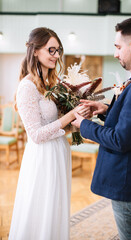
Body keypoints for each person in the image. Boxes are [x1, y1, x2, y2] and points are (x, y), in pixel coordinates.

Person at [72, 17, 131, 240]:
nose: (115, 53)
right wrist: (103, 109)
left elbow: (121, 139)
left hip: (129, 180)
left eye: (118, 47)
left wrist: (84, 125)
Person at [9, 27, 86, 240]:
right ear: (35, 51)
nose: (57, 56)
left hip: (59, 151)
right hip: (42, 157)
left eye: (58, 50)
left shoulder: (52, 84)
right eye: (51, 50)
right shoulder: (27, 87)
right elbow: (36, 134)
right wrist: (70, 115)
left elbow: (56, 125)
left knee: (55, 209)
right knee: (41, 210)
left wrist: (78, 122)